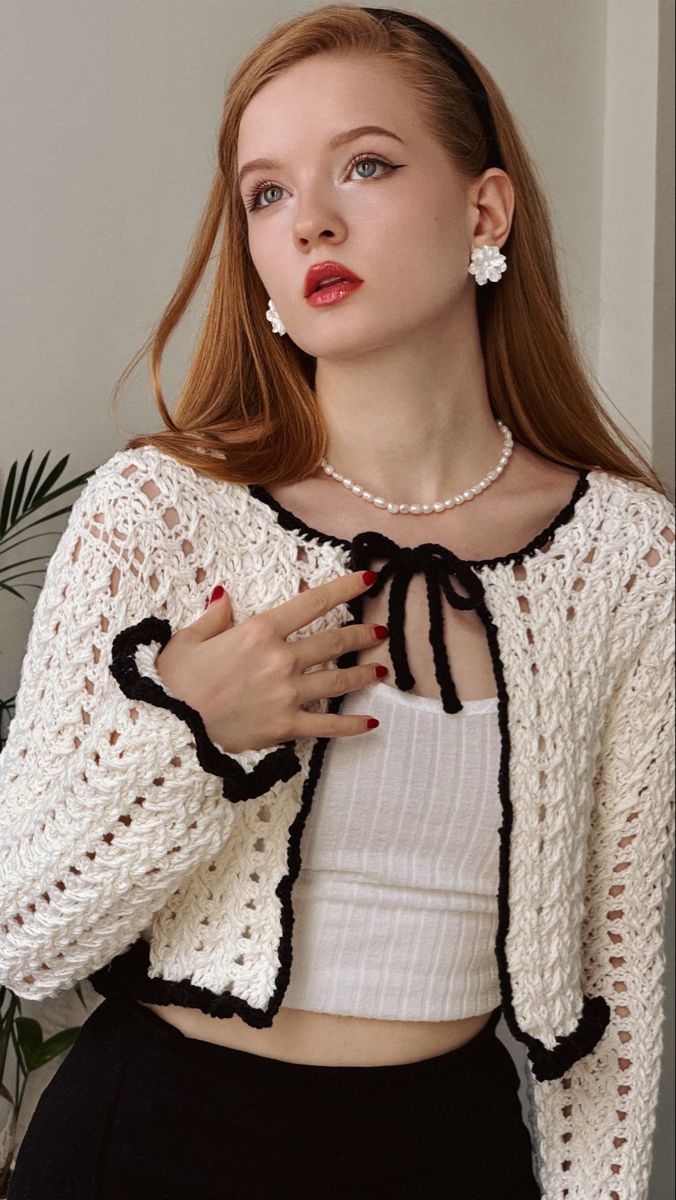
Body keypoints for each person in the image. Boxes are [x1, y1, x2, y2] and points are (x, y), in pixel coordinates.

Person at [1, 5, 673, 1198]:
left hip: (448, 1149)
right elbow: (24, 938)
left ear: (483, 211)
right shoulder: (155, 511)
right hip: (150, 1144)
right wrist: (191, 735)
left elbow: (613, 989)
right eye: (265, 193)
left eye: (364, 165)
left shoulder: (626, 558)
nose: (309, 216)